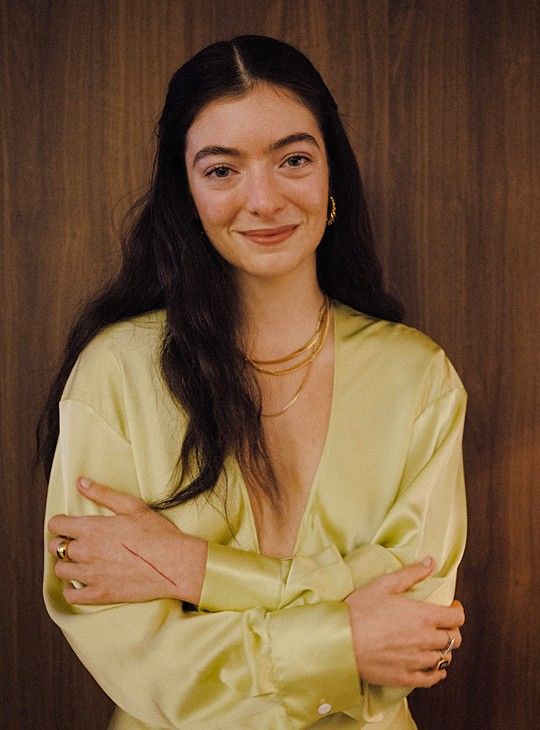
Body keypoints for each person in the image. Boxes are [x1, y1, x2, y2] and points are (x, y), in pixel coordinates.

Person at [40, 35, 467, 729]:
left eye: (294, 159)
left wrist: (194, 570)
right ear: (186, 193)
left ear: (333, 179)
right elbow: (134, 653)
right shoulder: (114, 372)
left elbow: (414, 624)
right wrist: (343, 640)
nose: (263, 200)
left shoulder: (419, 377)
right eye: (221, 170)